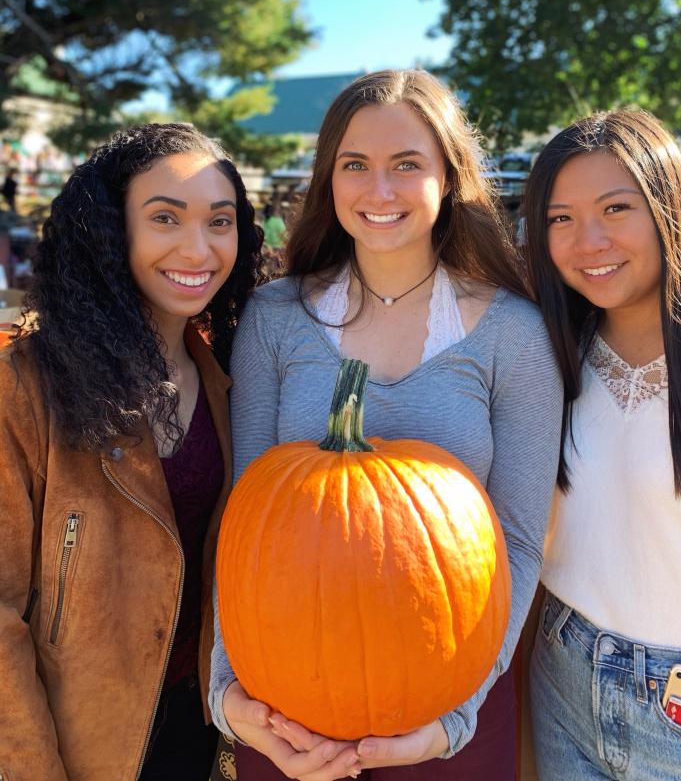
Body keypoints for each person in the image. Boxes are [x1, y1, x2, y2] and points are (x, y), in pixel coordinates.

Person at [209, 69, 563, 780]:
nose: (379, 190)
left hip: (447, 716)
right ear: (327, 178)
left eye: (407, 165)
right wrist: (230, 693)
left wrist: (453, 716)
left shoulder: (513, 334)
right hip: (286, 718)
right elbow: (242, 520)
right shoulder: (276, 318)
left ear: (448, 176)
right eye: (355, 166)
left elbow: (520, 539)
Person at [0, 122, 263, 781]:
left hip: (192, 727)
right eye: (165, 217)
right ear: (114, 231)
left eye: (219, 220)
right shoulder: (27, 385)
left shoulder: (228, 381)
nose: (197, 247)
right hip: (75, 741)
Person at [522, 108, 681, 781]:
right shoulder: (555, 350)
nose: (588, 240)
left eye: (615, 207)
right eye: (559, 218)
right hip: (562, 675)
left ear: (668, 207)